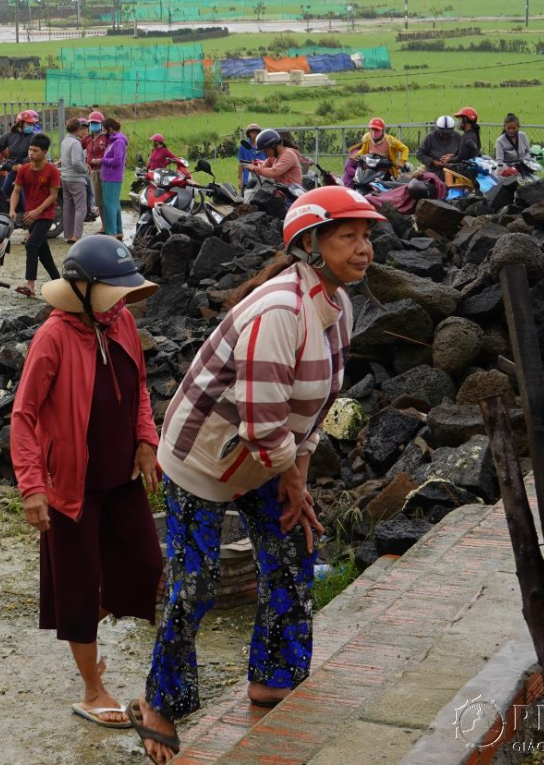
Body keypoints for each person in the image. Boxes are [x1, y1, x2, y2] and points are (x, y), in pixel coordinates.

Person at [128, 187, 384, 763]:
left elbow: (315, 407)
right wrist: (291, 476)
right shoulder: (281, 312)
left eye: (366, 236)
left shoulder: (336, 308)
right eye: (349, 236)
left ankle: (273, 677)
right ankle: (160, 703)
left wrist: (299, 472)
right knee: (196, 583)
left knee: (292, 555)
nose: (364, 248)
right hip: (203, 461)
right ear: (311, 246)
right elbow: (261, 421)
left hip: (266, 455)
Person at [11, 237, 163, 731]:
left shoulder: (122, 321)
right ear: (82, 289)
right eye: (112, 291)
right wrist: (33, 487)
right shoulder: (53, 337)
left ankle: (80, 627)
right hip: (70, 488)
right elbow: (24, 415)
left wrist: (146, 439)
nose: (121, 300)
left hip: (121, 478)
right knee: (77, 588)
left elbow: (139, 385)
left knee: (146, 565)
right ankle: (92, 688)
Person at [11, 134, 63, 296]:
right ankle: (58, 281)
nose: (31, 153)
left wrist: (37, 211)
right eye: (30, 149)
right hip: (30, 217)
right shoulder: (24, 170)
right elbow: (16, 191)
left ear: (44, 152)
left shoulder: (52, 171)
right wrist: (12, 209)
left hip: (45, 216)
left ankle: (30, 285)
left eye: (35, 150)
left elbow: (53, 196)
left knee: (31, 245)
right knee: (43, 253)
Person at [341, 117, 409, 187]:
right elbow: (363, 151)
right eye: (372, 129)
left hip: (385, 170)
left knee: (387, 187)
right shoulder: (367, 138)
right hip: (371, 170)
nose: (373, 132)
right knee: (361, 184)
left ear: (382, 130)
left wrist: (401, 161)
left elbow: (404, 149)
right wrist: (355, 156)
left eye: (377, 130)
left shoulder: (390, 140)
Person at [59, 119, 91, 243]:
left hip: (65, 178)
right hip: (76, 179)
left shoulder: (64, 142)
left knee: (68, 207)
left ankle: (68, 234)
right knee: (81, 208)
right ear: (77, 130)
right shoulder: (76, 143)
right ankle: (76, 236)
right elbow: (76, 162)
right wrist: (85, 170)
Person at [97, 118, 129, 239]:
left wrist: (101, 160)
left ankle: (111, 234)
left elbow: (117, 160)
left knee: (108, 205)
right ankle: (118, 231)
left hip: (112, 177)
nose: (103, 133)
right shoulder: (112, 141)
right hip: (108, 177)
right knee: (114, 205)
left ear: (110, 129)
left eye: (104, 130)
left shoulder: (118, 142)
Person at [85, 111, 108, 220]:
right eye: (92, 123)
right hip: (93, 172)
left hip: (105, 171)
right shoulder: (87, 138)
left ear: (101, 124)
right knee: (99, 202)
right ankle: (104, 226)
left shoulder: (106, 138)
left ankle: (110, 226)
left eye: (96, 123)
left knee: (107, 200)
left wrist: (101, 161)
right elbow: (76, 148)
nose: (94, 125)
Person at [237, 124, 265, 191]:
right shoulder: (243, 147)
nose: (254, 134)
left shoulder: (264, 146)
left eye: (256, 132)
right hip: (247, 179)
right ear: (249, 134)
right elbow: (240, 164)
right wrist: (240, 180)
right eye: (252, 132)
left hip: (262, 177)